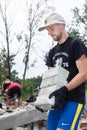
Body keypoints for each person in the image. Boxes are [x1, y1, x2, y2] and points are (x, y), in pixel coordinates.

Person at [38, 13, 87, 130]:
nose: (49, 33)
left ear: (62, 25)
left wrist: (65, 89)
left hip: (74, 100)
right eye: (47, 30)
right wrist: (42, 99)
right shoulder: (52, 52)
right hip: (58, 103)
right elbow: (51, 80)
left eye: (51, 28)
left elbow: (84, 73)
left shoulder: (75, 44)